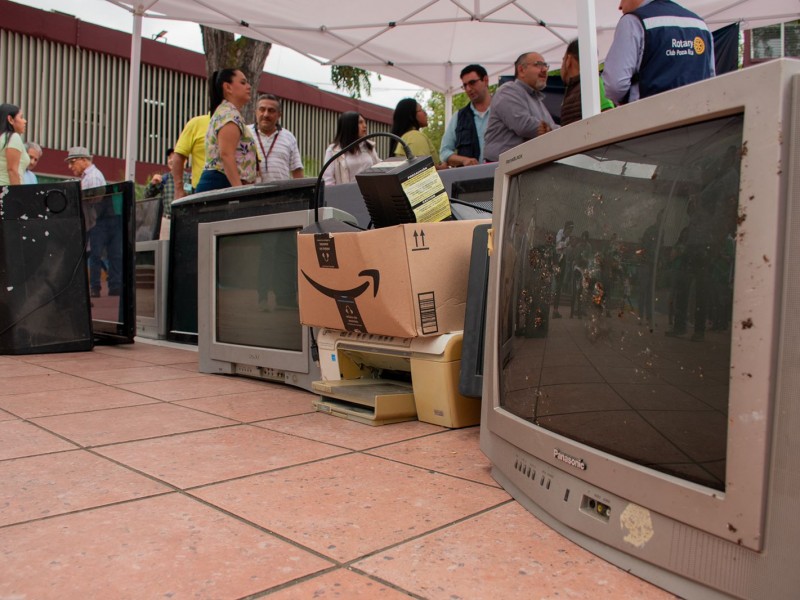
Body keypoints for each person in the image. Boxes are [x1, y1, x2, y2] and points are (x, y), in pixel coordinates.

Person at [603, 0, 715, 105]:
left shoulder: (632, 21)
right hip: (698, 117)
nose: (620, 6)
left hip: (651, 117)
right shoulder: (700, 24)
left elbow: (614, 86)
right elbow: (710, 78)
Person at [483, 53, 558, 162]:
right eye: (538, 65)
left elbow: (549, 128)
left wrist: (557, 131)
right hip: (502, 170)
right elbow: (524, 125)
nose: (544, 70)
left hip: (523, 168)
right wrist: (552, 130)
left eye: (546, 65)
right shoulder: (508, 91)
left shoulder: (536, 100)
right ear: (521, 70)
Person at [65, 146, 119, 298]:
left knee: (94, 255)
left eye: (72, 162)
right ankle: (100, 286)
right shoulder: (87, 177)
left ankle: (95, 288)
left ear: (84, 160)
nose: (70, 166)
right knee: (96, 255)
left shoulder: (93, 178)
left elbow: (95, 202)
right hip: (96, 222)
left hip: (97, 222)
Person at [195, 68, 258, 193]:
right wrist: (239, 191)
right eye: (243, 82)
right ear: (228, 87)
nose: (249, 87)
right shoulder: (228, 116)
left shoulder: (226, 113)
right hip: (221, 183)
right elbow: (226, 155)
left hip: (222, 182)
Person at [439, 64, 492, 167]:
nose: (468, 89)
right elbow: (444, 152)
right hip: (470, 179)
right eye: (465, 85)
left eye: (472, 83)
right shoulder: (458, 117)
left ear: (485, 80)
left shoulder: (502, 110)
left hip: (502, 176)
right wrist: (463, 160)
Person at [247, 94, 304, 183]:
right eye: (262, 110)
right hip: (251, 194)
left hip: (281, 195)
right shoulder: (245, 133)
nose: (266, 114)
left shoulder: (289, 137)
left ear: (279, 115)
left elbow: (297, 172)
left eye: (271, 111)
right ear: (256, 112)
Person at [559, 39, 615, 126]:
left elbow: (608, 116)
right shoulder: (573, 89)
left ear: (568, 60)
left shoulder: (593, 83)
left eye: (563, 59)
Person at [322, 111, 380, 186]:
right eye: (360, 122)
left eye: (365, 122)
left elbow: (378, 169)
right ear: (349, 125)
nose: (365, 125)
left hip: (370, 195)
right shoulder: (333, 151)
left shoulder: (369, 147)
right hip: (346, 195)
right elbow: (328, 180)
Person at [391, 98, 445, 168]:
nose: (425, 113)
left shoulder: (407, 137)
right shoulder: (415, 136)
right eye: (421, 110)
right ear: (411, 115)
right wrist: (442, 168)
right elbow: (421, 171)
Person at [172, 114, 210, 200]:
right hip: (202, 191)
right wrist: (178, 189)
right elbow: (178, 155)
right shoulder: (196, 123)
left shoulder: (239, 124)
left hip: (232, 188)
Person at [0, 103, 29, 186]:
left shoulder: (2, 138)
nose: (25, 121)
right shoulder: (13, 137)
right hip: (6, 192)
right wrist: (18, 195)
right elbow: (12, 170)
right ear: (10, 119)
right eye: (21, 117)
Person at [144, 147, 177, 218]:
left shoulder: (190, 179)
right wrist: (152, 183)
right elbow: (146, 196)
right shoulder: (163, 179)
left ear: (184, 161)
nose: (171, 160)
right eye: (169, 158)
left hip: (184, 220)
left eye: (173, 158)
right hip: (167, 220)